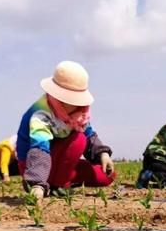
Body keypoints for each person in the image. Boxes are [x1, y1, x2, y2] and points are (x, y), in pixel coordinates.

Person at [16, 61, 115, 200]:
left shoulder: (78, 113)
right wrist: (36, 183)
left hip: (60, 163)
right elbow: (39, 148)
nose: (78, 104)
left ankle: (60, 180)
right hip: (33, 165)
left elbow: (89, 134)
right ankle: (57, 185)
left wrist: (103, 155)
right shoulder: (41, 114)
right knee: (78, 139)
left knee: (105, 175)